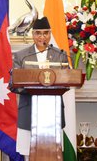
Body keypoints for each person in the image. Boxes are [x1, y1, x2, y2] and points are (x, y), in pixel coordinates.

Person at [12, 17, 68, 159]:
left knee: (54, 155)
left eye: (45, 33)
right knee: (28, 155)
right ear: (32, 34)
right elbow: (12, 83)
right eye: (38, 33)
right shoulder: (22, 56)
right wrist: (32, 88)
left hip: (53, 115)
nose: (42, 37)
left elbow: (66, 81)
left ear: (50, 34)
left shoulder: (60, 55)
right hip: (29, 112)